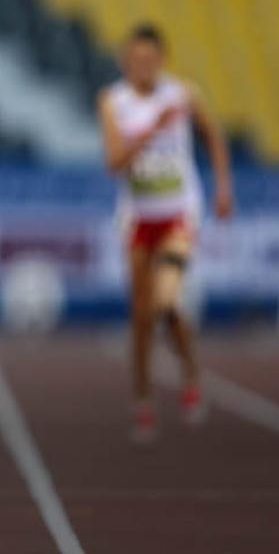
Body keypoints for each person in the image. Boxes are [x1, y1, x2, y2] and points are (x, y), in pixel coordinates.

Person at [97, 22, 234, 444]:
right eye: (135, 61)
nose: (144, 68)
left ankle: (190, 371)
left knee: (167, 299)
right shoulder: (113, 101)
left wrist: (223, 187)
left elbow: (213, 137)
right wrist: (152, 129)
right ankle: (142, 399)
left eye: (151, 60)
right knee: (142, 317)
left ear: (163, 59)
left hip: (178, 215)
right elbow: (115, 162)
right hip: (138, 218)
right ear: (125, 62)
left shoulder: (183, 94)